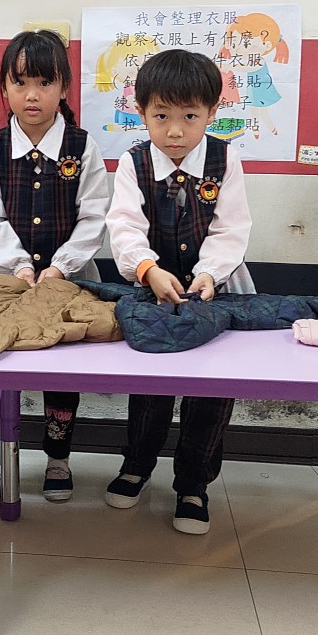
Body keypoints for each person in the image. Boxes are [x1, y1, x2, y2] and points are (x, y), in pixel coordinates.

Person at [103, 49, 254, 534]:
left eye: (190, 117)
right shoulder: (133, 163)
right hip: (153, 289)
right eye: (161, 116)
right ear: (141, 112)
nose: (174, 131)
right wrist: (147, 268)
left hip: (217, 291)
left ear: (212, 112)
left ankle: (193, 483)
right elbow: (124, 226)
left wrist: (210, 272)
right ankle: (136, 465)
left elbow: (231, 228)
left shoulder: (225, 159)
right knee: (150, 385)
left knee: (212, 391)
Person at [0, 29, 110, 504]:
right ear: (4, 88)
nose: (31, 95)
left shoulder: (83, 146)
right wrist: (18, 266)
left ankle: (58, 458)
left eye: (44, 83)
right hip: (6, 281)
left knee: (62, 371)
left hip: (70, 282)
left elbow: (94, 217)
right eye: (20, 83)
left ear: (64, 88)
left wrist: (60, 267)